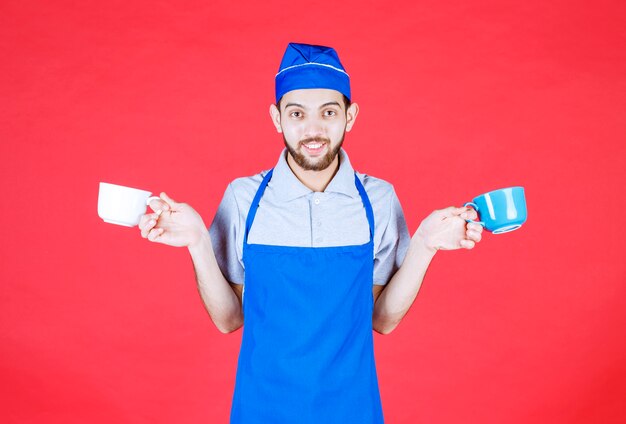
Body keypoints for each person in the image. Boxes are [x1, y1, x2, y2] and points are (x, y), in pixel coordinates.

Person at [138, 42, 483, 424]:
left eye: (329, 112)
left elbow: (382, 320)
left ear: (350, 117)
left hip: (353, 409)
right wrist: (198, 242)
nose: (313, 129)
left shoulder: (378, 200)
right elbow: (229, 319)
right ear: (276, 118)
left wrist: (425, 244)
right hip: (261, 408)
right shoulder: (243, 198)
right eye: (297, 113)